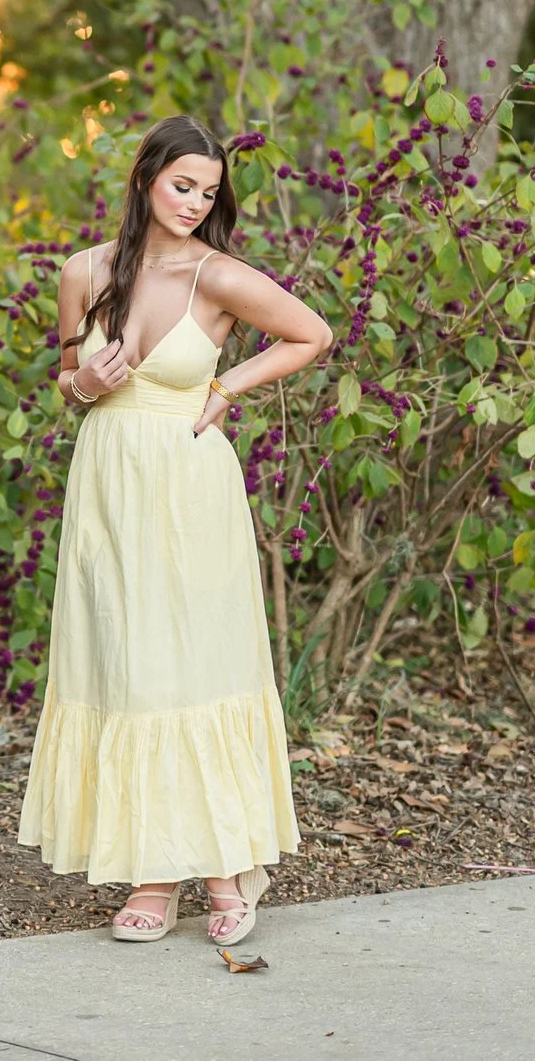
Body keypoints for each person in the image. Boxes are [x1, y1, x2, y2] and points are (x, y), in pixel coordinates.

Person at [18, 114, 334, 945]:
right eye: (181, 184)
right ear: (144, 179)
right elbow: (64, 381)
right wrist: (82, 380)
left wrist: (229, 388)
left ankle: (223, 869)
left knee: (194, 667)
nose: (196, 201)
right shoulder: (82, 272)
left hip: (189, 484)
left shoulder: (219, 276)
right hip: (108, 485)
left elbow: (312, 334)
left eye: (209, 189)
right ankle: (158, 872)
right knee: (131, 665)